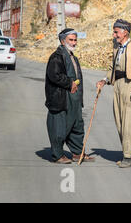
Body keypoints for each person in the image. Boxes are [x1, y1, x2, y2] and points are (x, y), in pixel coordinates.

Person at [96, 19, 131, 168]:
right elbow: (112, 66)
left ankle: (127, 157)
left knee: (130, 122)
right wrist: (105, 80)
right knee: (120, 121)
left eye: (116, 32)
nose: (114, 35)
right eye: (114, 32)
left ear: (125, 32)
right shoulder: (117, 47)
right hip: (119, 85)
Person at [45, 28, 95, 164]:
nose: (74, 43)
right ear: (62, 41)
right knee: (59, 127)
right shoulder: (57, 56)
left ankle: (77, 153)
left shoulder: (73, 57)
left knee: (77, 125)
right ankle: (58, 155)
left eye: (75, 40)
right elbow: (54, 75)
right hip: (62, 98)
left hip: (74, 99)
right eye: (71, 40)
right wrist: (69, 83)